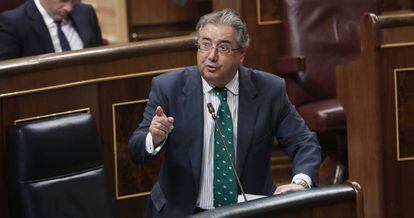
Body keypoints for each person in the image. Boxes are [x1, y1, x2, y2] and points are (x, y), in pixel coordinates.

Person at [129, 9, 321, 218]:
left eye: (223, 47)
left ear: (242, 54)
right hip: (182, 212)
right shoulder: (168, 88)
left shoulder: (269, 90)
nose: (211, 56)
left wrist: (301, 182)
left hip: (248, 211)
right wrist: (153, 138)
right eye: (205, 45)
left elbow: (304, 142)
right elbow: (136, 148)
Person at [0, 0, 103, 60]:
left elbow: (101, 60)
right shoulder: (12, 23)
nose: (69, 8)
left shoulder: (86, 12)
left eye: (74, 1)